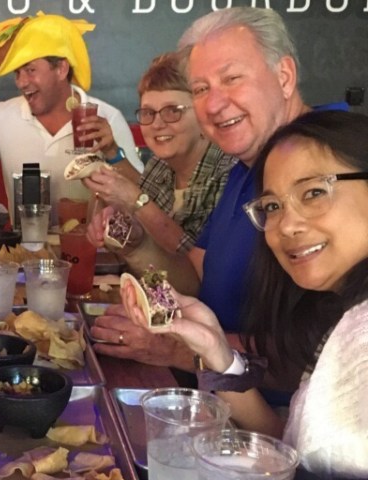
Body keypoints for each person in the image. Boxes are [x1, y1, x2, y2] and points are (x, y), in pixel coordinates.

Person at [122, 110, 368, 477]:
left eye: (314, 192)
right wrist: (216, 352)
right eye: (272, 206)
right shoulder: (338, 316)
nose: (287, 225)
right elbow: (292, 454)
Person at [86, 7, 310, 371]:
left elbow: (318, 355)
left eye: (233, 78)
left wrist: (175, 350)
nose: (215, 104)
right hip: (221, 394)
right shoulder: (244, 166)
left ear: (284, 76)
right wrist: (136, 244)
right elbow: (194, 280)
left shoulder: (332, 162)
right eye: (202, 88)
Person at [84, 52, 236, 296]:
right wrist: (116, 218)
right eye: (148, 113)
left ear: (202, 112)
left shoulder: (229, 172)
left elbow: (199, 279)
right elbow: (160, 275)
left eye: (172, 111)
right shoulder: (160, 165)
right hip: (164, 304)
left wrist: (135, 201)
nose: (157, 124)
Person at [0, 12, 143, 223]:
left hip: (90, 251)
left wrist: (112, 153)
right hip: (27, 252)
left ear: (61, 69)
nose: (21, 82)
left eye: (30, 70)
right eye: (18, 73)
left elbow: (143, 196)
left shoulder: (107, 117)